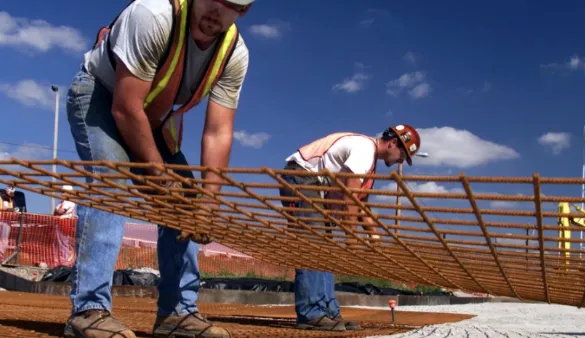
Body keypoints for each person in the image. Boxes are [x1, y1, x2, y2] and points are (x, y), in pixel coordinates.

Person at [63, 0, 253, 337]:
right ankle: (89, 311)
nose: (216, 9)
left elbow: (218, 132)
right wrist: (159, 175)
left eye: (230, 5)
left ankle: (176, 315)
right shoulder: (154, 14)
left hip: (151, 117)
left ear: (243, 11)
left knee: (188, 205)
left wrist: (207, 204)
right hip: (103, 98)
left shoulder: (234, 54)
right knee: (111, 182)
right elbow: (124, 108)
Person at [278, 124, 422, 331]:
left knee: (325, 251)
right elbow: (349, 196)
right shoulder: (364, 149)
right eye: (403, 154)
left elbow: (361, 207)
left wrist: (376, 241)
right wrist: (352, 238)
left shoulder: (369, 163)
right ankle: (311, 313)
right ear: (392, 143)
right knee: (313, 246)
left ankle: (328, 312)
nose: (401, 160)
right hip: (302, 178)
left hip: (314, 185)